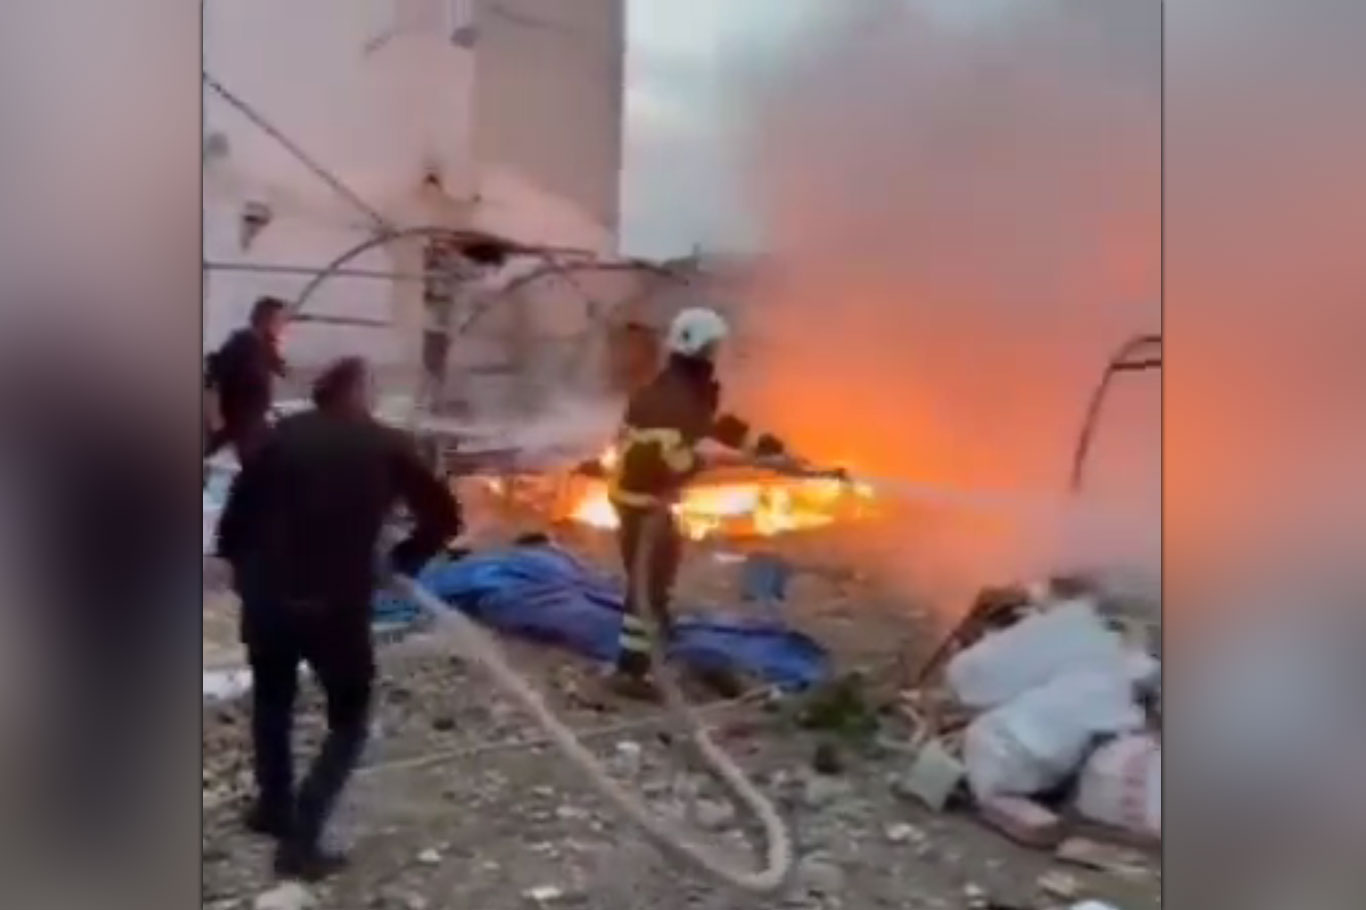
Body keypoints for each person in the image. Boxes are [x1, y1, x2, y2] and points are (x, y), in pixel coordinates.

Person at [215, 356, 461, 881]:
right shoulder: (388, 445)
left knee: (272, 700)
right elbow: (445, 517)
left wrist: (243, 572)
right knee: (349, 721)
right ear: (362, 396)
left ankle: (273, 808)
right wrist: (403, 561)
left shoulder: (279, 438)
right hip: (335, 605)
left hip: (267, 599)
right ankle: (301, 843)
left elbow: (234, 517)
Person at [601, 307, 789, 698]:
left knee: (662, 568)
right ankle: (630, 672)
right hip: (639, 502)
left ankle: (656, 631)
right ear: (701, 347)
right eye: (713, 346)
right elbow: (676, 461)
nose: (717, 353)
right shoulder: (669, 397)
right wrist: (732, 460)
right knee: (646, 584)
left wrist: (758, 446)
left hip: (652, 499)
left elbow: (710, 424)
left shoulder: (686, 386)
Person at [204, 295, 289, 468]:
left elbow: (282, 371)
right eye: (280, 321)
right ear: (266, 320)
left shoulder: (263, 346)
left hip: (254, 424)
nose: (283, 327)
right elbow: (212, 382)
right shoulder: (240, 345)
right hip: (242, 427)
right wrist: (216, 422)